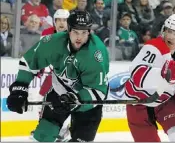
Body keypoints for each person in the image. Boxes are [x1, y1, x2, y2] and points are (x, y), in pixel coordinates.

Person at [6, 10, 109, 142]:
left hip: (88, 101)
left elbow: (99, 90)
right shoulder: (53, 42)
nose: (80, 37)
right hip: (60, 91)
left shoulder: (96, 54)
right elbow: (29, 62)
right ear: (69, 30)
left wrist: (74, 100)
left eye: (84, 32)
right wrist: (20, 88)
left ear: (89, 32)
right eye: (76, 32)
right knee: (43, 136)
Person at [123, 14, 175, 141]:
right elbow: (137, 76)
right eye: (169, 31)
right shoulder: (153, 47)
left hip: (165, 102)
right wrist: (164, 74)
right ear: (163, 31)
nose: (171, 36)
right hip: (138, 103)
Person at [30, 8, 70, 142]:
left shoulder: (74, 35)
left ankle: (64, 129)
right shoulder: (47, 33)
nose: (61, 23)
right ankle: (44, 127)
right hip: (52, 75)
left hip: (69, 78)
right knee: (43, 99)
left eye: (64, 20)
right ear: (54, 21)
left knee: (67, 102)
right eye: (58, 20)